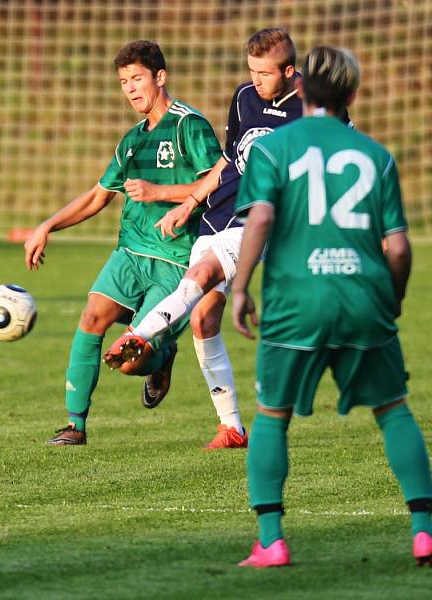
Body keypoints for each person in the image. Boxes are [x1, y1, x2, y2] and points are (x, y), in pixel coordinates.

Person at [230, 46, 432, 568]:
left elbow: (260, 220)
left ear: (303, 90)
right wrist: (391, 300)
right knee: (393, 411)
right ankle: (424, 533)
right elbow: (397, 249)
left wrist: (241, 288)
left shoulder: (272, 149)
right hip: (362, 300)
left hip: (295, 302)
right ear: (352, 95)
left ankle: (272, 541)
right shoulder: (376, 156)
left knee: (271, 416)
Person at [103, 28, 303, 450]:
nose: (257, 81)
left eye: (265, 74)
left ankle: (142, 332)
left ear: (288, 70)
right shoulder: (245, 96)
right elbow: (228, 161)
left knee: (201, 274)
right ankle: (232, 427)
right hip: (218, 212)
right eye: (251, 71)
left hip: (259, 218)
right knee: (203, 320)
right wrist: (189, 202)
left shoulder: (313, 108)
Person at [23, 40, 222, 445]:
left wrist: (159, 192)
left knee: (131, 362)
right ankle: (75, 425)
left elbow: (219, 181)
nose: (130, 88)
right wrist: (48, 225)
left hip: (177, 261)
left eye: (137, 78)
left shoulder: (189, 125)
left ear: (160, 77)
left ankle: (163, 359)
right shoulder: (132, 139)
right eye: (123, 81)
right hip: (131, 253)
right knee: (91, 317)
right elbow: (99, 196)